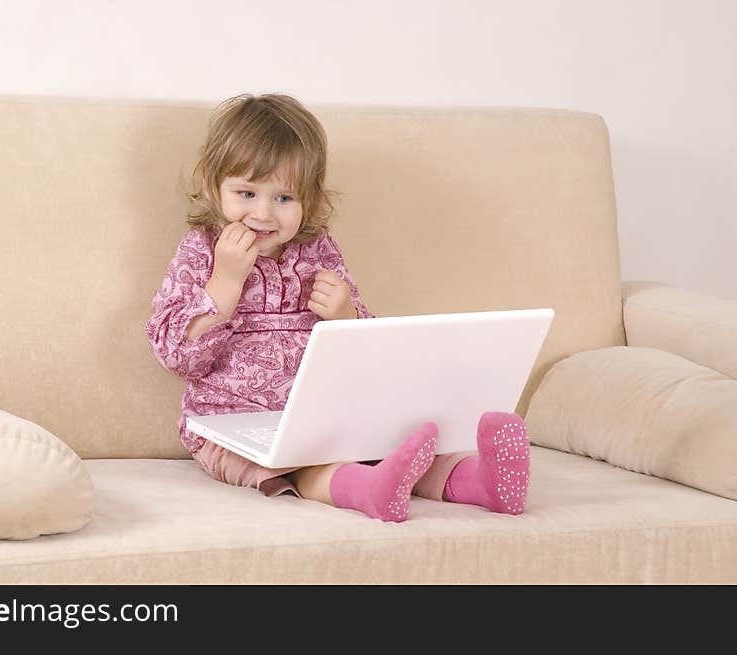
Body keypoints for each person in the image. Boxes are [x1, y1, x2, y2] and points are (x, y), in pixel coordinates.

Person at [145, 93, 530, 522]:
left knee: (404, 440)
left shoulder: (317, 250)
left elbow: (370, 349)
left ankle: (481, 482)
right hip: (232, 426)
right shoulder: (201, 251)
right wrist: (225, 282)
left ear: (309, 198)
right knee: (297, 465)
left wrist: (346, 316)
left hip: (327, 418)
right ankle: (366, 489)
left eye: (284, 198)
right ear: (215, 187)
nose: (263, 213)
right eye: (246, 192)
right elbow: (175, 355)